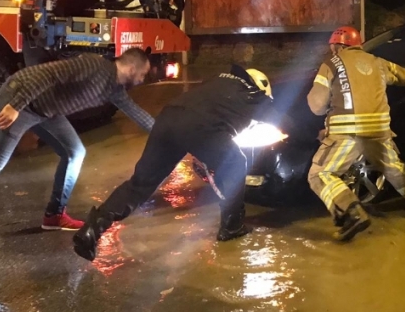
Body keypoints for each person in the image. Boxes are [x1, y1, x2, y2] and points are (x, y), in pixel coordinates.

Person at [0, 48, 155, 252]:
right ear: (132, 68)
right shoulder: (94, 65)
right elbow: (47, 74)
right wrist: (15, 106)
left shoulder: (113, 89)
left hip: (46, 111)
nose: (142, 79)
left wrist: (167, 133)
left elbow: (135, 112)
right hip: (19, 99)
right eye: (142, 74)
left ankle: (54, 215)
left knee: (74, 152)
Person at [73, 64, 280, 261]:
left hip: (168, 117)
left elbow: (208, 113)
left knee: (140, 184)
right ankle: (232, 227)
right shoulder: (256, 96)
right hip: (200, 126)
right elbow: (283, 122)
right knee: (236, 163)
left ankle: (93, 228)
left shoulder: (217, 81)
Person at [306, 26, 405, 242]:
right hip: (379, 130)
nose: (332, 52)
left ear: (338, 46)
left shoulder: (330, 65)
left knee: (320, 174)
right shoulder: (378, 62)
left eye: (332, 48)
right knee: (393, 168)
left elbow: (317, 105)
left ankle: (352, 213)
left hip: (347, 132)